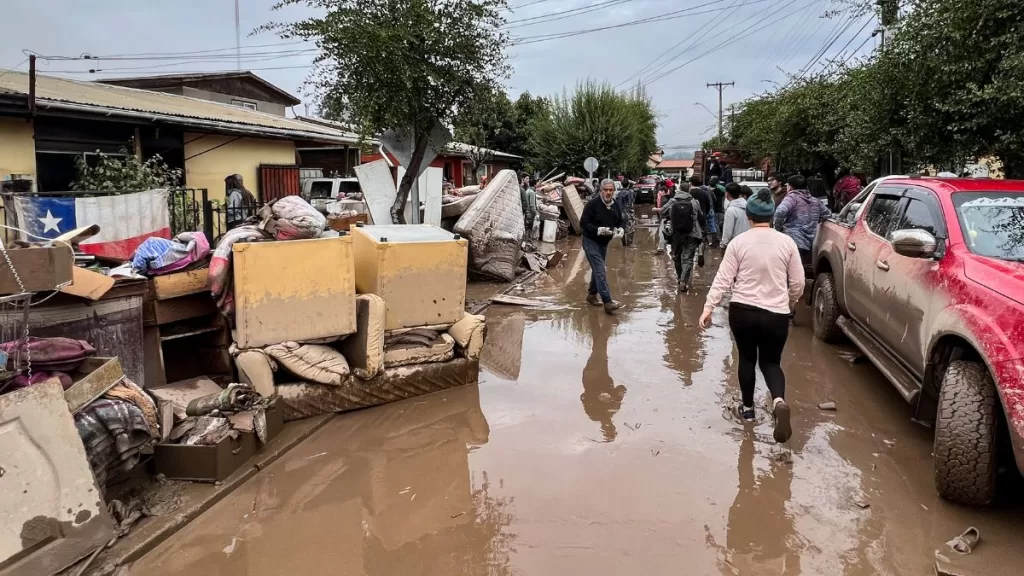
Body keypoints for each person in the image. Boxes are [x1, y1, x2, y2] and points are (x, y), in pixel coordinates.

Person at [698, 189, 804, 442]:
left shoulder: (739, 243)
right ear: (772, 216)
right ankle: (778, 401)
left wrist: (708, 307)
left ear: (749, 216)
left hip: (742, 311)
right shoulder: (787, 243)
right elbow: (798, 282)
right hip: (775, 314)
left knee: (746, 359)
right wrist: (789, 302)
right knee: (771, 363)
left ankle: (747, 411)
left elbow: (723, 279)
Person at [580, 179, 625, 314]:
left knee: (597, 270)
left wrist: (621, 229)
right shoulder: (592, 204)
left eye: (611, 190)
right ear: (600, 190)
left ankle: (592, 295)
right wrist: (598, 230)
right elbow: (583, 223)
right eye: (605, 190)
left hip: (604, 243)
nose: (608, 192)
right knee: (600, 270)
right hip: (590, 241)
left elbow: (621, 220)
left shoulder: (615, 204)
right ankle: (608, 302)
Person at [774, 174, 832, 269]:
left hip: (790, 240)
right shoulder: (815, 201)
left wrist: (777, 228)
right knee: (797, 268)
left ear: (790, 187)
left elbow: (780, 211)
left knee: (786, 270)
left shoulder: (792, 198)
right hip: (806, 244)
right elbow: (828, 214)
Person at [662, 184, 704, 293]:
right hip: (692, 234)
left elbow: (662, 211)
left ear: (679, 190)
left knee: (677, 257)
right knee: (688, 259)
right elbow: (701, 216)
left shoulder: (672, 201)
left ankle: (680, 278)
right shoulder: (695, 202)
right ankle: (684, 282)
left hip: (676, 234)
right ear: (689, 190)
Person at [720, 183, 750, 248]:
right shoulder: (748, 206)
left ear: (727, 194)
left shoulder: (731, 210)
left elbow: (728, 231)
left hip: (736, 244)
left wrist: (724, 244)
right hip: (748, 242)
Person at [655, 179, 675, 255]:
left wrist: (657, 209)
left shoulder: (664, 198)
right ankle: (673, 250)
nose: (659, 193)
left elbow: (663, 209)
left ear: (663, 191)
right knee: (671, 233)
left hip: (666, 218)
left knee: (662, 233)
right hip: (671, 218)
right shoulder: (671, 196)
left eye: (660, 191)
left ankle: (660, 249)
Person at [616, 177, 637, 246]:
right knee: (630, 229)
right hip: (628, 213)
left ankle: (624, 244)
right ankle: (629, 244)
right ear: (628, 184)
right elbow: (632, 202)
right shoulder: (630, 192)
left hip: (620, 213)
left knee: (622, 229)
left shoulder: (619, 194)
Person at [520, 173, 537, 239]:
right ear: (535, 185)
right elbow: (532, 205)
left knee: (526, 228)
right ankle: (527, 241)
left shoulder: (527, 190)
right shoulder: (532, 192)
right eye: (526, 178)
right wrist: (536, 213)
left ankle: (525, 241)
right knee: (529, 229)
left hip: (526, 212)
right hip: (530, 213)